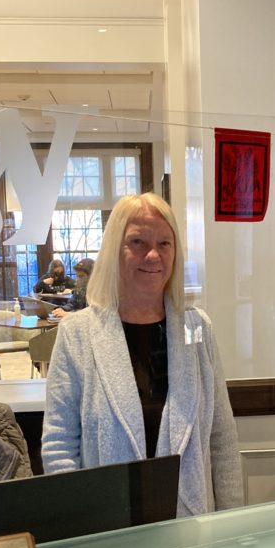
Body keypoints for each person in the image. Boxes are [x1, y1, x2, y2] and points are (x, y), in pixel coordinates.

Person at [41, 193, 243, 516]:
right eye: (137, 242)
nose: (153, 255)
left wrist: (233, 525)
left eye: (165, 243)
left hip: (191, 533)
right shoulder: (77, 336)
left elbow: (222, 440)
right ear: (112, 251)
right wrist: (80, 529)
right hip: (111, 532)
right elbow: (59, 447)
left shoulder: (198, 330)